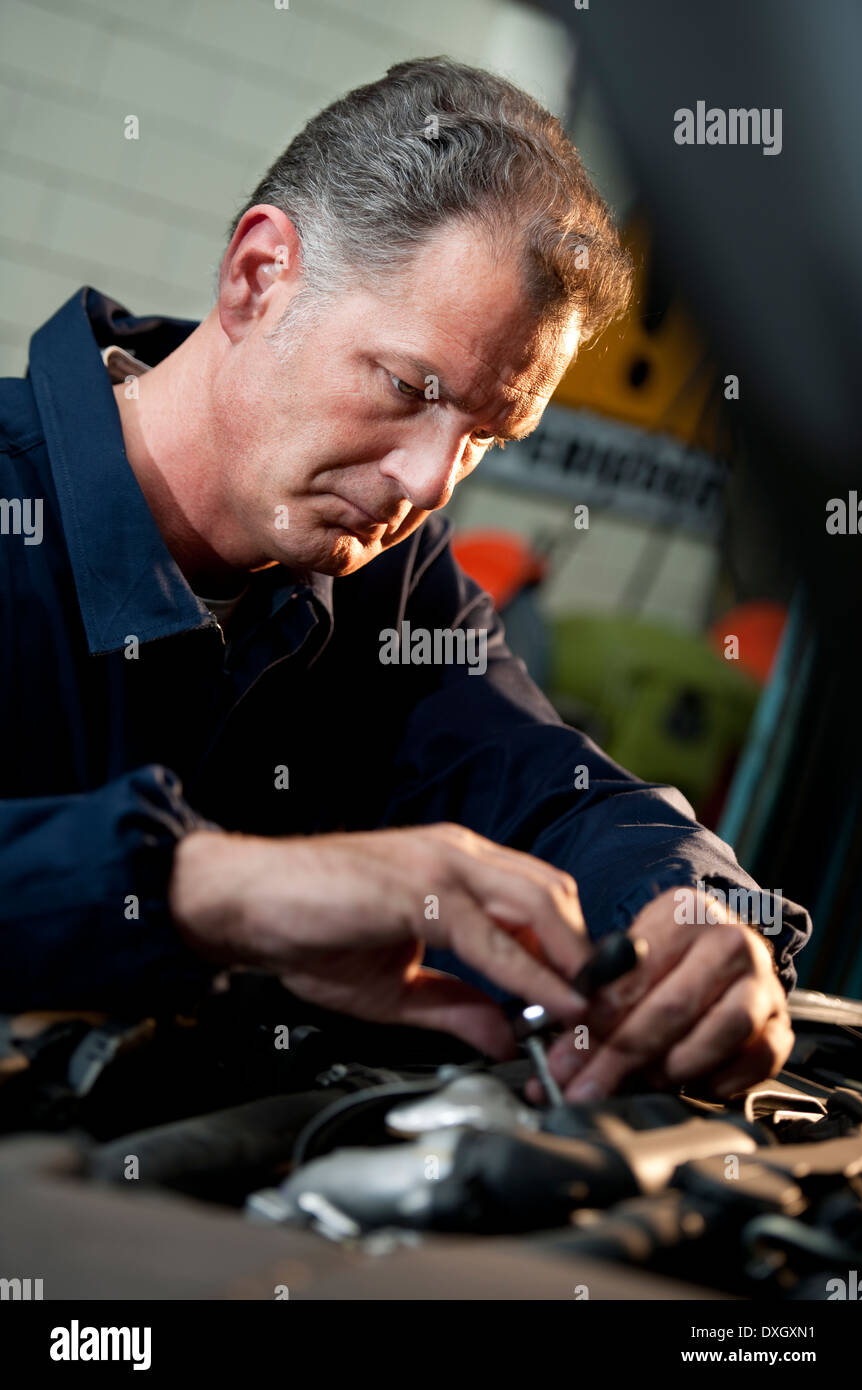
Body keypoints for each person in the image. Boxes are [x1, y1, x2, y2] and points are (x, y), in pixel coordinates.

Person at [0, 58, 809, 1104]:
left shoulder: (382, 580)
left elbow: (555, 793)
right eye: (407, 387)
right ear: (257, 276)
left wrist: (695, 912)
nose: (429, 482)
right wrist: (217, 886)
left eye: (483, 434)